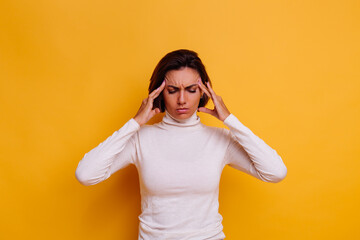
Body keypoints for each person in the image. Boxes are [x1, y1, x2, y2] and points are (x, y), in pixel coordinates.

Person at [75, 49, 287, 240]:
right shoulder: (141, 138)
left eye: (191, 90)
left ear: (204, 92)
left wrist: (230, 120)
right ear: (159, 93)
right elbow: (86, 174)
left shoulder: (219, 139)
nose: (182, 99)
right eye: (173, 90)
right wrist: (135, 123)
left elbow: (275, 172)